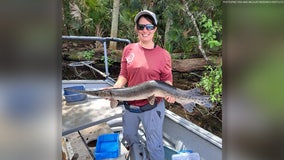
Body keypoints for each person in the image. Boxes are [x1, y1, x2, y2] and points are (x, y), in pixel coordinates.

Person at [112, 10, 175, 160]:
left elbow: (167, 81)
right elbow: (124, 75)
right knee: (130, 140)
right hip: (130, 107)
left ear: (155, 29)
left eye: (149, 26)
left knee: (154, 146)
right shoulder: (128, 49)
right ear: (136, 29)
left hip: (152, 108)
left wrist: (170, 95)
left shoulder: (164, 55)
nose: (145, 30)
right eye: (141, 27)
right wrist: (115, 89)